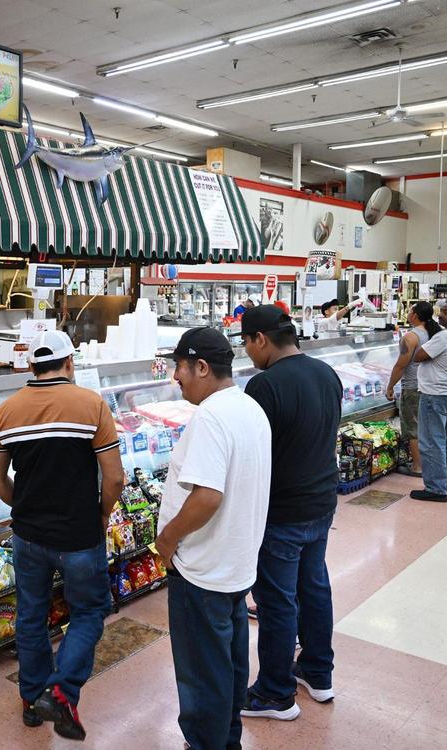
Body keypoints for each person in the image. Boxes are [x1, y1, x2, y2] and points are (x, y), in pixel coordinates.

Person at [0, 330, 122, 740]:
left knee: (31, 617)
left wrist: (22, 508)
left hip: (28, 536)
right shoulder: (91, 405)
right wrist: (101, 513)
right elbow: (113, 478)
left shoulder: (6, 410)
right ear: (69, 364)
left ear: (31, 367)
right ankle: (62, 691)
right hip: (79, 535)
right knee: (90, 611)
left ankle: (31, 703)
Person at [155, 327, 271, 750]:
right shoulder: (249, 407)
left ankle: (207, 743)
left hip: (202, 569)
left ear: (201, 367)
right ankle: (227, 740)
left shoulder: (211, 417)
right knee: (229, 664)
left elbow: (207, 496)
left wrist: (167, 540)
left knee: (202, 673)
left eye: (179, 368)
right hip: (235, 563)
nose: (176, 378)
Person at [237, 306, 343, 722]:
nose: (247, 352)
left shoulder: (264, 386)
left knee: (276, 601)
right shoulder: (326, 373)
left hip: (281, 510)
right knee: (314, 587)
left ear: (260, 339)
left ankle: (275, 693)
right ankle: (318, 672)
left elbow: (254, 457)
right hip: (321, 501)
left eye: (246, 343)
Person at [410, 299, 447, 502]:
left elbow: (418, 355)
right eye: (441, 311)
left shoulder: (445, 336)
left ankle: (435, 488)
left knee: (431, 442)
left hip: (434, 395)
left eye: (446, 312)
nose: (441, 315)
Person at [385, 302, 441, 476]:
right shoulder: (436, 333)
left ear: (415, 315)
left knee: (412, 428)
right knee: (429, 428)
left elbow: (401, 366)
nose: (408, 313)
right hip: (431, 386)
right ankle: (431, 463)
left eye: (410, 311)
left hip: (412, 387)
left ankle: (417, 466)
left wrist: (390, 387)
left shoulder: (411, 336)